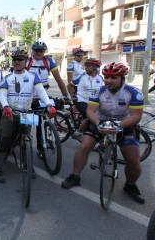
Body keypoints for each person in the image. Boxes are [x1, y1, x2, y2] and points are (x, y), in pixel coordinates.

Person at [61, 62, 145, 204]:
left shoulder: (134, 93)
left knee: (133, 161)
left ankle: (130, 185)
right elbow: (90, 111)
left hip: (124, 124)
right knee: (84, 146)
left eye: (114, 78)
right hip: (100, 122)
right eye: (106, 77)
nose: (108, 81)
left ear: (122, 79)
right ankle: (75, 176)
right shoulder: (98, 91)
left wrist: (119, 125)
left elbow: (136, 116)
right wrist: (99, 123)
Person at [0, 48, 56, 183]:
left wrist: (49, 104)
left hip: (26, 114)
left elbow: (41, 91)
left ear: (25, 61)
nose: (17, 62)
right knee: (4, 140)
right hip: (11, 113)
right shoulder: (8, 77)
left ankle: (28, 165)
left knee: (26, 140)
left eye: (20, 59)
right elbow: (2, 95)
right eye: (15, 59)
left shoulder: (33, 76)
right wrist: (6, 106)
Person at [27, 41, 69, 157]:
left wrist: (66, 95)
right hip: (28, 96)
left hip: (42, 96)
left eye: (41, 51)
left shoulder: (49, 61)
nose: (39, 53)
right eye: (37, 50)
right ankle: (23, 142)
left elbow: (59, 79)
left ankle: (40, 148)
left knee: (41, 121)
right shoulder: (27, 61)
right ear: (33, 51)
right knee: (27, 122)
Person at [69, 58, 103, 138]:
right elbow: (69, 86)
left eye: (88, 66)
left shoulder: (100, 78)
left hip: (93, 102)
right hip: (81, 100)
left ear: (95, 67)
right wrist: (72, 95)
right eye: (85, 66)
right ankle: (78, 132)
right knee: (91, 116)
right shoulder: (82, 77)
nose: (86, 67)